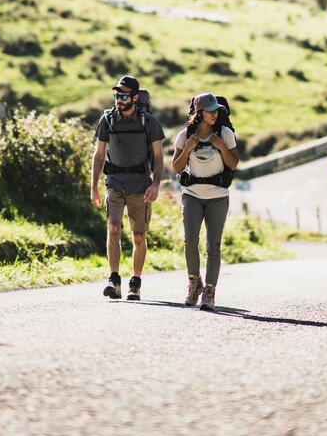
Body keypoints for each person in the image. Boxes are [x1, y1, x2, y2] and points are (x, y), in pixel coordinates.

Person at [91, 74, 165, 301]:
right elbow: (99, 154)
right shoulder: (107, 120)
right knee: (113, 228)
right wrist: (93, 186)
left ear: (134, 97)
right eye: (116, 95)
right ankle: (114, 280)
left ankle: (135, 282)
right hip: (114, 183)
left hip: (141, 185)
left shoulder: (149, 122)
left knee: (139, 236)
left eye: (123, 96)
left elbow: (159, 156)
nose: (119, 99)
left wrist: (155, 184)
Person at [171, 92, 239, 312]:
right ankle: (194, 282)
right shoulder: (184, 136)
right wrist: (189, 148)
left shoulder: (225, 134)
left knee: (213, 246)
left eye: (217, 110)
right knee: (190, 241)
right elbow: (177, 167)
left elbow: (234, 163)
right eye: (210, 110)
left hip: (218, 197)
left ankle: (209, 291)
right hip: (192, 195)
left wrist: (220, 146)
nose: (215, 114)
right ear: (199, 113)